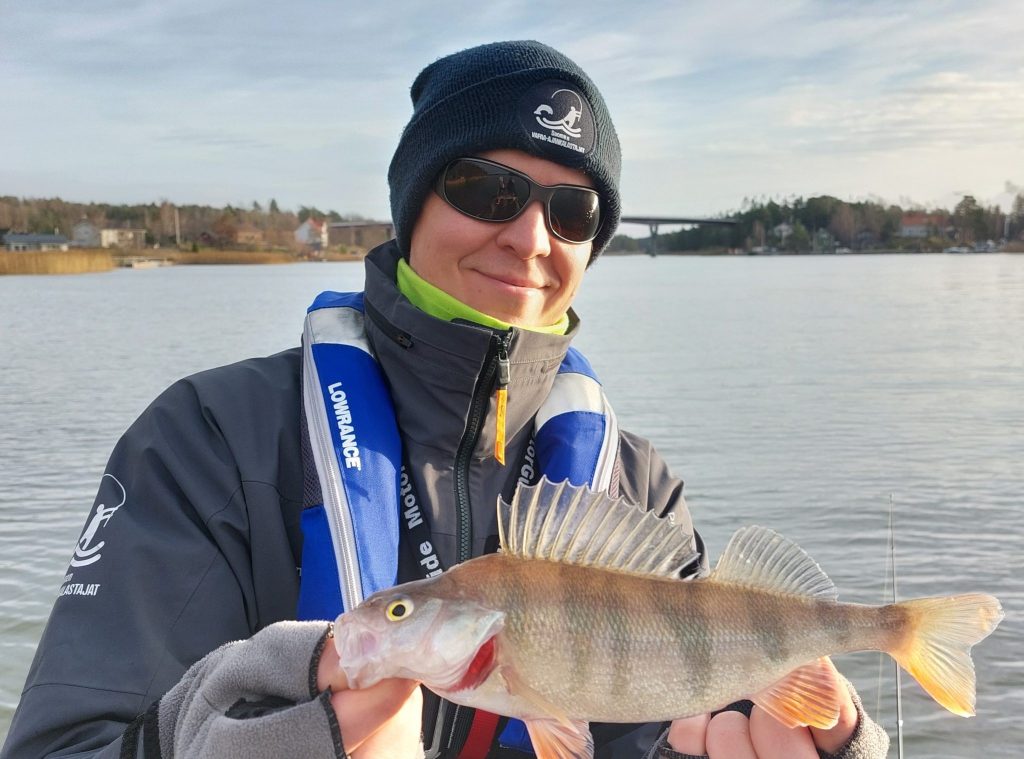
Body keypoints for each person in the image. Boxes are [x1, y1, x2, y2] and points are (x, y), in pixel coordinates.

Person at [1, 41, 889, 759]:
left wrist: (835, 745)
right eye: (487, 189)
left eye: (573, 210)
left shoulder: (635, 483)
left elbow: (678, 722)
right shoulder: (207, 442)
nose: (530, 235)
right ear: (412, 202)